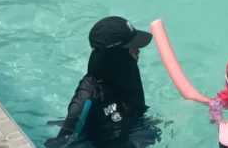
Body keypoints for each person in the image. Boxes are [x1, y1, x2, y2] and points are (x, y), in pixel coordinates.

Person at [46, 17, 158, 148]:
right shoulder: (87, 97)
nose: (138, 50)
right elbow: (62, 143)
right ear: (117, 56)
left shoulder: (128, 71)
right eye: (132, 48)